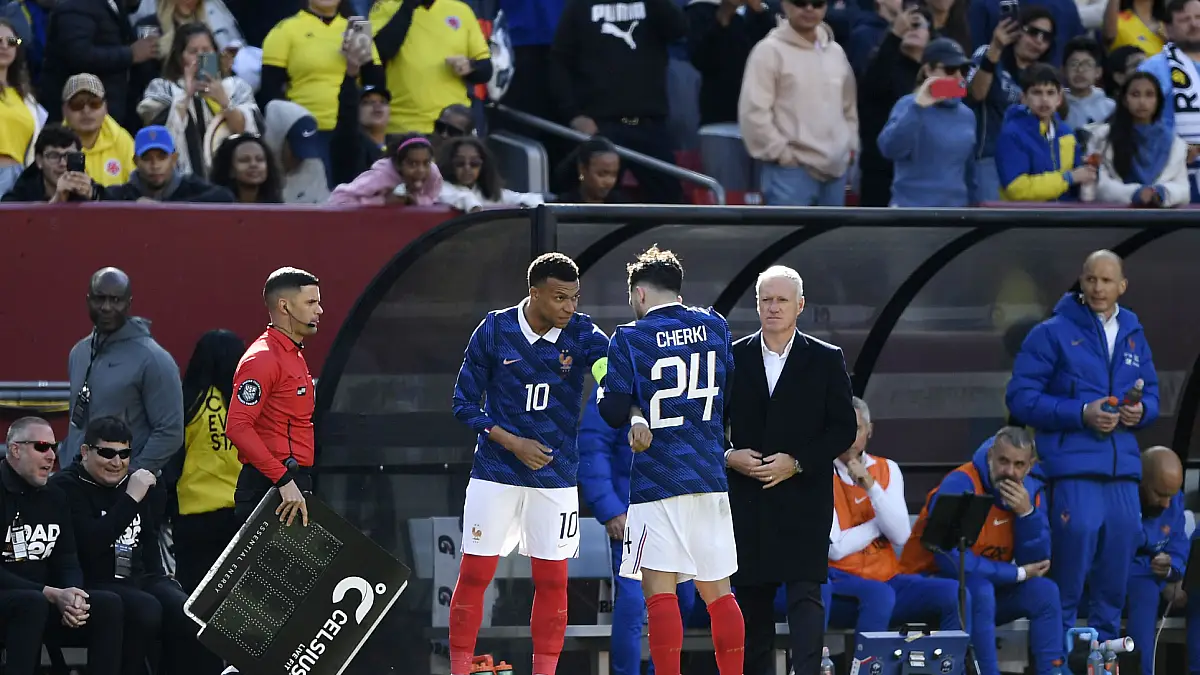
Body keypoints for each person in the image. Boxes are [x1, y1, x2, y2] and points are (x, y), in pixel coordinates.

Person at [449, 252, 609, 675]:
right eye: (560, 298)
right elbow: (462, 404)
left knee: (554, 580)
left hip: (555, 477)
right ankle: (461, 668)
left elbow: (607, 368)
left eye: (575, 298)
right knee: (475, 573)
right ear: (533, 293)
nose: (569, 307)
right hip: (495, 472)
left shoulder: (583, 333)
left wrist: (615, 383)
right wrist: (512, 442)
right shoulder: (494, 329)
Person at [595, 246, 742, 675]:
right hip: (709, 476)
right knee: (719, 593)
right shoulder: (715, 326)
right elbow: (728, 396)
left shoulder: (629, 337)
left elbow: (610, 408)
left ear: (639, 295)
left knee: (658, 595)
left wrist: (636, 411)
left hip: (656, 481)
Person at [1006, 249, 1159, 642]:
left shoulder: (1133, 334)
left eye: (1107, 281)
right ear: (1081, 281)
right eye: (1091, 279)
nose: (1098, 288)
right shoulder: (1051, 332)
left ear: (1122, 286)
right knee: (1070, 573)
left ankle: (1105, 661)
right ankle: (1055, 660)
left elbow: (1155, 396)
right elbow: (1020, 398)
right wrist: (1081, 413)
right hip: (1072, 468)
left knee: (1115, 575)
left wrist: (1139, 412)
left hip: (1122, 470)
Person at [724, 264, 856, 675]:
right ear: (757, 304)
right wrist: (729, 456)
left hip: (804, 498)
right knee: (752, 604)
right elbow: (707, 421)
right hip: (749, 499)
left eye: (782, 300)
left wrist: (797, 462)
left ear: (800, 306)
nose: (773, 307)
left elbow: (843, 428)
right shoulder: (734, 355)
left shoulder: (825, 358)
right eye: (766, 299)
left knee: (805, 597)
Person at [53, 416, 217, 675]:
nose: (116, 462)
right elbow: (90, 544)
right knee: (145, 610)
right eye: (107, 453)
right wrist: (131, 498)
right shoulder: (66, 486)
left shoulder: (133, 483)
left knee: (189, 612)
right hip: (96, 579)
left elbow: (148, 538)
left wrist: (163, 579)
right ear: (85, 452)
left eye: (124, 454)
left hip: (138, 576)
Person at [899, 428, 1064, 675]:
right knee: (979, 590)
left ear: (1029, 466)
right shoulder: (961, 483)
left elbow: (1038, 563)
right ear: (990, 456)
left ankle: (1053, 672)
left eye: (1019, 464)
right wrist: (1015, 573)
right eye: (1003, 461)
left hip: (987, 590)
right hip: (931, 583)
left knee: (1045, 592)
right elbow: (947, 559)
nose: (1010, 471)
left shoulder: (1027, 493)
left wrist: (1027, 515)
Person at [578, 383, 696, 675]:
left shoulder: (688, 371)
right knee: (632, 604)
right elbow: (593, 446)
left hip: (680, 515)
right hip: (632, 516)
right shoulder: (616, 379)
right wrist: (610, 510)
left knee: (683, 601)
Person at [827, 397, 963, 647]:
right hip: (840, 582)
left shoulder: (887, 468)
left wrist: (870, 485)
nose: (848, 435)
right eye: (841, 425)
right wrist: (880, 523)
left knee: (955, 593)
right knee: (880, 596)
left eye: (855, 428)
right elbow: (835, 548)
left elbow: (901, 535)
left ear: (869, 431)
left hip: (888, 578)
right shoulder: (821, 472)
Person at [0, 416, 122, 675]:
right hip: (15, 598)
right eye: (42, 447)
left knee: (107, 604)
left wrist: (73, 594)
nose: (51, 456)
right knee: (31, 603)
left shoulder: (55, 496)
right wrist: (50, 593)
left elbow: (67, 558)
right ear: (15, 449)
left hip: (45, 598)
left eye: (54, 448)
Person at [224, 267, 322, 526]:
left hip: (289, 483)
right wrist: (282, 480)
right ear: (284, 306)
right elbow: (237, 427)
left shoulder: (293, 354)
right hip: (271, 488)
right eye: (311, 302)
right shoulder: (263, 358)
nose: (319, 311)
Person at [63, 267, 184, 472]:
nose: (106, 307)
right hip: (77, 484)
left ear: (129, 303)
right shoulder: (79, 353)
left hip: (126, 490)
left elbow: (170, 432)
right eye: (99, 299)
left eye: (115, 300)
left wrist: (129, 474)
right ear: (88, 300)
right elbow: (77, 422)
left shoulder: (154, 359)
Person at [172, 329, 246, 593]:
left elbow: (172, 459)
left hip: (194, 515)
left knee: (195, 596)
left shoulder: (188, 402)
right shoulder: (249, 405)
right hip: (243, 513)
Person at [877, 37, 978, 207]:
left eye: (963, 70)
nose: (958, 77)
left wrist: (974, 207)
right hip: (912, 211)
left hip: (956, 213)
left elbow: (969, 170)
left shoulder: (967, 115)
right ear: (928, 70)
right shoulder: (908, 105)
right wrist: (918, 108)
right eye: (950, 69)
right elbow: (889, 149)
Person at [1125, 446, 1188, 675]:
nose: (1166, 504)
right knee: (1146, 589)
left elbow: (1179, 542)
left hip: (1155, 577)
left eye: (1171, 495)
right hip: (1121, 579)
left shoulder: (1172, 498)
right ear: (1141, 480)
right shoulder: (1123, 497)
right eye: (1160, 494)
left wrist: (1172, 569)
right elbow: (1116, 555)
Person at [1087, 71, 1189, 207]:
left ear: (1158, 100)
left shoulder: (1175, 143)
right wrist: (1136, 193)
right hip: (1114, 220)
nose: (1142, 102)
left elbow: (1183, 190)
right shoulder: (1102, 137)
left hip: (1162, 219)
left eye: (1149, 95)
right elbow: (1099, 186)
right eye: (1135, 95)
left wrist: (1160, 193)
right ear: (1124, 100)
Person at [995, 63, 1094, 201]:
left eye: (1050, 92)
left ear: (1059, 98)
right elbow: (1016, 188)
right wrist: (1067, 178)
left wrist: (1088, 173)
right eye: (1037, 92)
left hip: (1062, 218)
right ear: (1024, 98)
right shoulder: (1012, 134)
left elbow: (1077, 180)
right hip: (1024, 219)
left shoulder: (1066, 133)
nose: (1044, 99)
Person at [103, 125, 235, 202]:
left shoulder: (190, 186)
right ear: (136, 162)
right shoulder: (125, 194)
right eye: (147, 158)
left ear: (173, 159)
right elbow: (100, 194)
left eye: (162, 157)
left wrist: (165, 208)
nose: (155, 165)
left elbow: (226, 197)